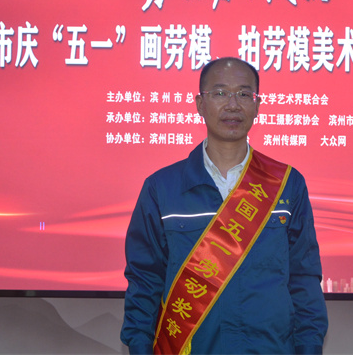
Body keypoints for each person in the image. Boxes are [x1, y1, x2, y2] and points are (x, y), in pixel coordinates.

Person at [121, 57, 328, 354]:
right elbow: (144, 281)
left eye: (244, 94)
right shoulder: (161, 188)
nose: (233, 105)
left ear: (257, 105)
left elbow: (304, 281)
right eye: (220, 93)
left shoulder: (287, 184)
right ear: (200, 104)